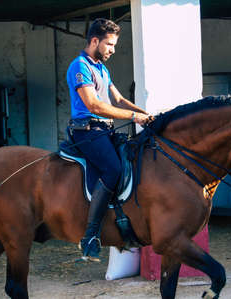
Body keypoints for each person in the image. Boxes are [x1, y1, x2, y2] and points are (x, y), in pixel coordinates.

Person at [66, 18, 152, 261]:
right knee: (113, 169)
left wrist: (148, 115)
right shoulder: (79, 66)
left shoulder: (102, 68)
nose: (113, 50)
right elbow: (95, 105)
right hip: (87, 131)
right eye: (110, 44)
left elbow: (119, 100)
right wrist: (135, 117)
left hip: (104, 130)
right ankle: (90, 235)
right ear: (95, 41)